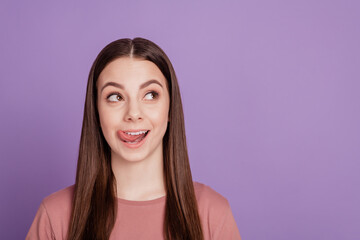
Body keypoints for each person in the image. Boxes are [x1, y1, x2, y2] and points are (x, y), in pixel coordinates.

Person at [26, 37, 241, 240]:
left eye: (150, 95)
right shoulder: (54, 216)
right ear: (96, 113)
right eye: (115, 97)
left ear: (170, 109)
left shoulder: (213, 213)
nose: (133, 113)